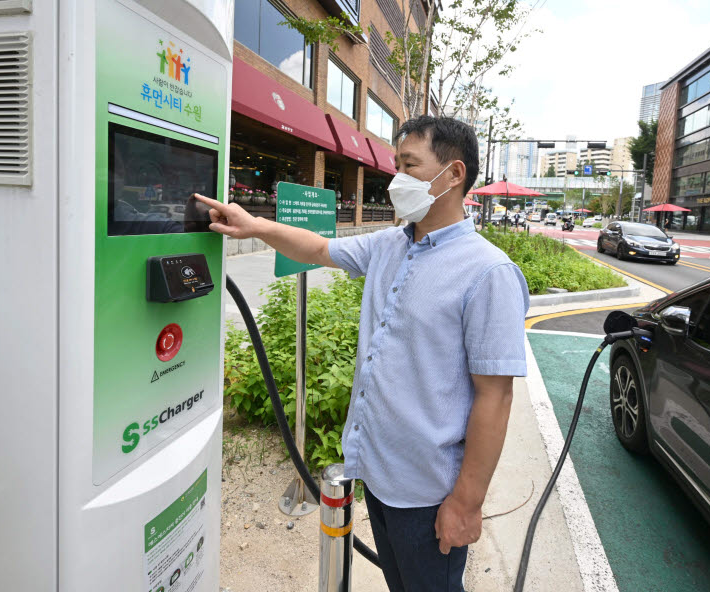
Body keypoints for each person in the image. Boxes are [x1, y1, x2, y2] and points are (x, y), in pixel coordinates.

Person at [194, 116, 528, 592]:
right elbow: (318, 247)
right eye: (396, 164)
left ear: (454, 174)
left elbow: (494, 398)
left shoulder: (488, 272)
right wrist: (255, 225)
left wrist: (466, 504)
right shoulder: (391, 245)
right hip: (378, 474)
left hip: (430, 495)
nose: (397, 179)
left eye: (409, 165)